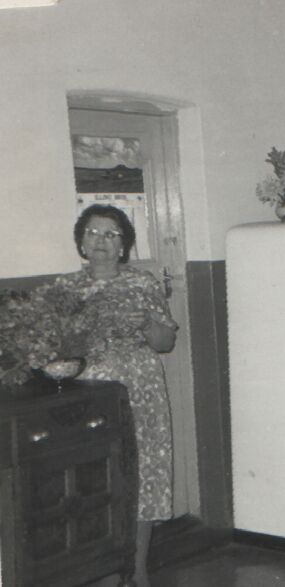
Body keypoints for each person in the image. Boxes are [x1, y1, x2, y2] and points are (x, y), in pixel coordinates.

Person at [1, 204, 177, 586]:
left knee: (144, 473)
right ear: (81, 242)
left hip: (139, 388)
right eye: (93, 233)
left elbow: (165, 342)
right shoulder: (64, 289)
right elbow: (47, 342)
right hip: (87, 393)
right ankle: (104, 571)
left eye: (111, 234)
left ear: (123, 245)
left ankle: (139, 570)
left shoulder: (142, 283)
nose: (101, 241)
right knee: (98, 475)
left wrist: (147, 324)